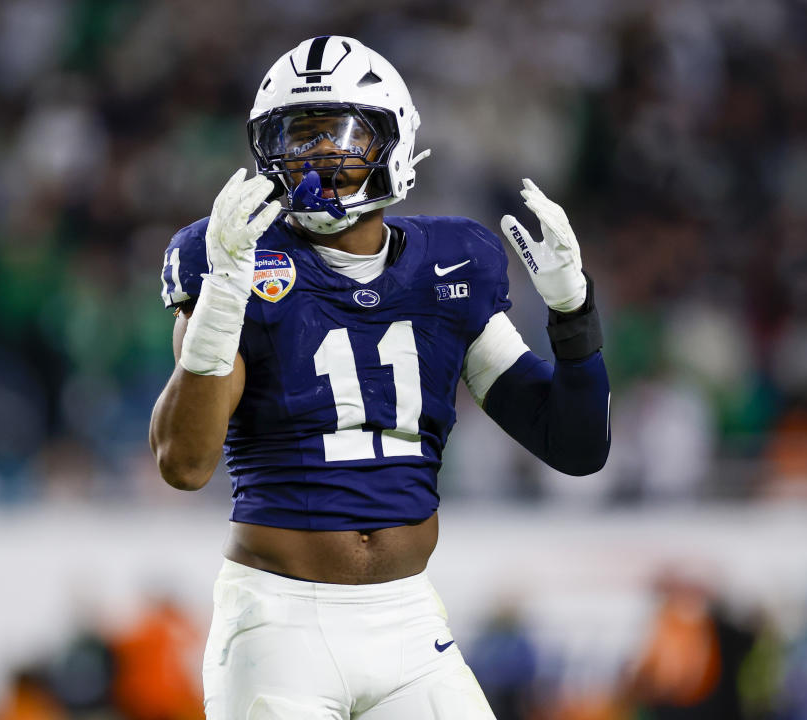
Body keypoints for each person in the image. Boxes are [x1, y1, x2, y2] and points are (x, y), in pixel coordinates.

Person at [149, 35, 610, 719]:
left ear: (394, 139)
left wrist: (573, 314)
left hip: (407, 621)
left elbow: (574, 447)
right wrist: (222, 297)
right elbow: (183, 463)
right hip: (279, 622)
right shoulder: (233, 257)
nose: (316, 156)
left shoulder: (452, 265)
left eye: (338, 134)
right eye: (295, 138)